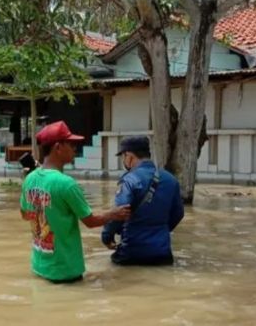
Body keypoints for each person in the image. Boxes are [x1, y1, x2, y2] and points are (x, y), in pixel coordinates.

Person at [20, 121, 130, 284]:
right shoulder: (66, 184)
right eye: (71, 144)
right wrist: (113, 214)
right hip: (65, 271)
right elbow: (91, 222)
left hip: (39, 266)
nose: (75, 149)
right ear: (58, 147)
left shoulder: (29, 179)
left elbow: (25, 214)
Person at [101, 136, 184, 266]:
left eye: (123, 156)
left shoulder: (130, 179)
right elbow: (178, 213)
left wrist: (107, 237)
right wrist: (160, 231)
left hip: (132, 253)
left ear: (129, 156)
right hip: (162, 254)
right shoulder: (171, 180)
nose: (124, 160)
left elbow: (119, 212)